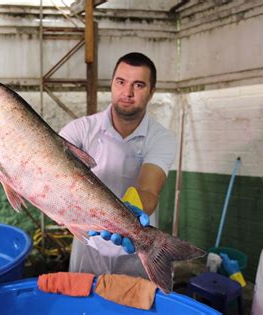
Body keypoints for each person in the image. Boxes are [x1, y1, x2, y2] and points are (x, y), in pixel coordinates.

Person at [59, 52, 176, 278]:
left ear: (152, 92)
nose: (128, 93)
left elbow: (149, 189)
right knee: (85, 309)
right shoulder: (80, 130)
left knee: (133, 309)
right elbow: (52, 166)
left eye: (138, 85)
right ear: (112, 84)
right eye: (121, 82)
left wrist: (127, 218)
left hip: (135, 248)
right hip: (88, 242)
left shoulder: (161, 137)